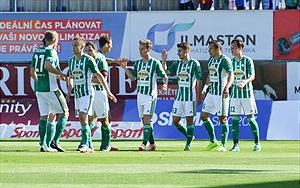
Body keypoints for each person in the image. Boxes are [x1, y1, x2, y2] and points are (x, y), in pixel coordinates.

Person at [66, 36, 117, 153]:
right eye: (72, 45)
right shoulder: (71, 61)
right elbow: (71, 77)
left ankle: (101, 144)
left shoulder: (93, 60)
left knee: (97, 119)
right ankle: (89, 145)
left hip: (93, 93)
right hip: (78, 94)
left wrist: (108, 91)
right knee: (85, 119)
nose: (73, 48)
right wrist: (69, 92)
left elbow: (100, 76)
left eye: (75, 45)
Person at [120, 39, 168, 151]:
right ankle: (152, 144)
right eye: (139, 49)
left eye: (142, 49)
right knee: (145, 121)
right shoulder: (138, 63)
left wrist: (165, 85)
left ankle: (143, 144)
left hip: (150, 95)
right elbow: (133, 78)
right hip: (140, 95)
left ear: (148, 49)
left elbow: (164, 76)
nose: (140, 51)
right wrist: (125, 68)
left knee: (147, 119)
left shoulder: (155, 63)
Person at [30, 30, 69, 152]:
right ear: (55, 40)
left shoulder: (37, 51)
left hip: (39, 90)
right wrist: (61, 73)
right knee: (65, 112)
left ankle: (44, 145)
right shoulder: (51, 51)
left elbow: (32, 72)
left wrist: (39, 81)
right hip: (51, 88)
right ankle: (55, 142)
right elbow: (47, 66)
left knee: (46, 116)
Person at [161, 42, 203, 151]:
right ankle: (190, 136)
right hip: (179, 97)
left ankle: (188, 144)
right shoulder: (177, 63)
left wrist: (199, 96)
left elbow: (199, 80)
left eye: (180, 51)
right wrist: (164, 60)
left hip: (190, 97)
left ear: (187, 51)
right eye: (178, 51)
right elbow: (166, 72)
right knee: (176, 120)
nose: (178, 53)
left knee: (189, 121)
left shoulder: (194, 64)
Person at [84, 38, 120, 152]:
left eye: (90, 50)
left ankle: (103, 145)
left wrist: (87, 79)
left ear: (95, 50)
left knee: (102, 119)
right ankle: (90, 144)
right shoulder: (90, 59)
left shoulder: (100, 59)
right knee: (94, 119)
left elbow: (102, 79)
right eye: (87, 51)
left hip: (98, 92)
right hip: (92, 92)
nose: (88, 53)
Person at [201, 40, 234, 152]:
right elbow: (210, 75)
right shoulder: (211, 60)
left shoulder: (225, 60)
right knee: (204, 116)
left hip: (221, 93)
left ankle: (223, 145)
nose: (209, 51)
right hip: (211, 93)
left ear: (218, 49)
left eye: (211, 49)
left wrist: (227, 88)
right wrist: (205, 88)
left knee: (222, 118)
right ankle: (213, 141)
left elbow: (231, 75)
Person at [229, 39, 261, 152]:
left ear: (240, 48)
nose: (231, 49)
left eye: (233, 47)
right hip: (235, 95)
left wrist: (244, 82)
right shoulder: (231, 62)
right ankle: (236, 145)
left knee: (251, 119)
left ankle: (257, 143)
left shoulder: (247, 61)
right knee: (234, 120)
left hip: (247, 94)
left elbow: (252, 76)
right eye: (231, 47)